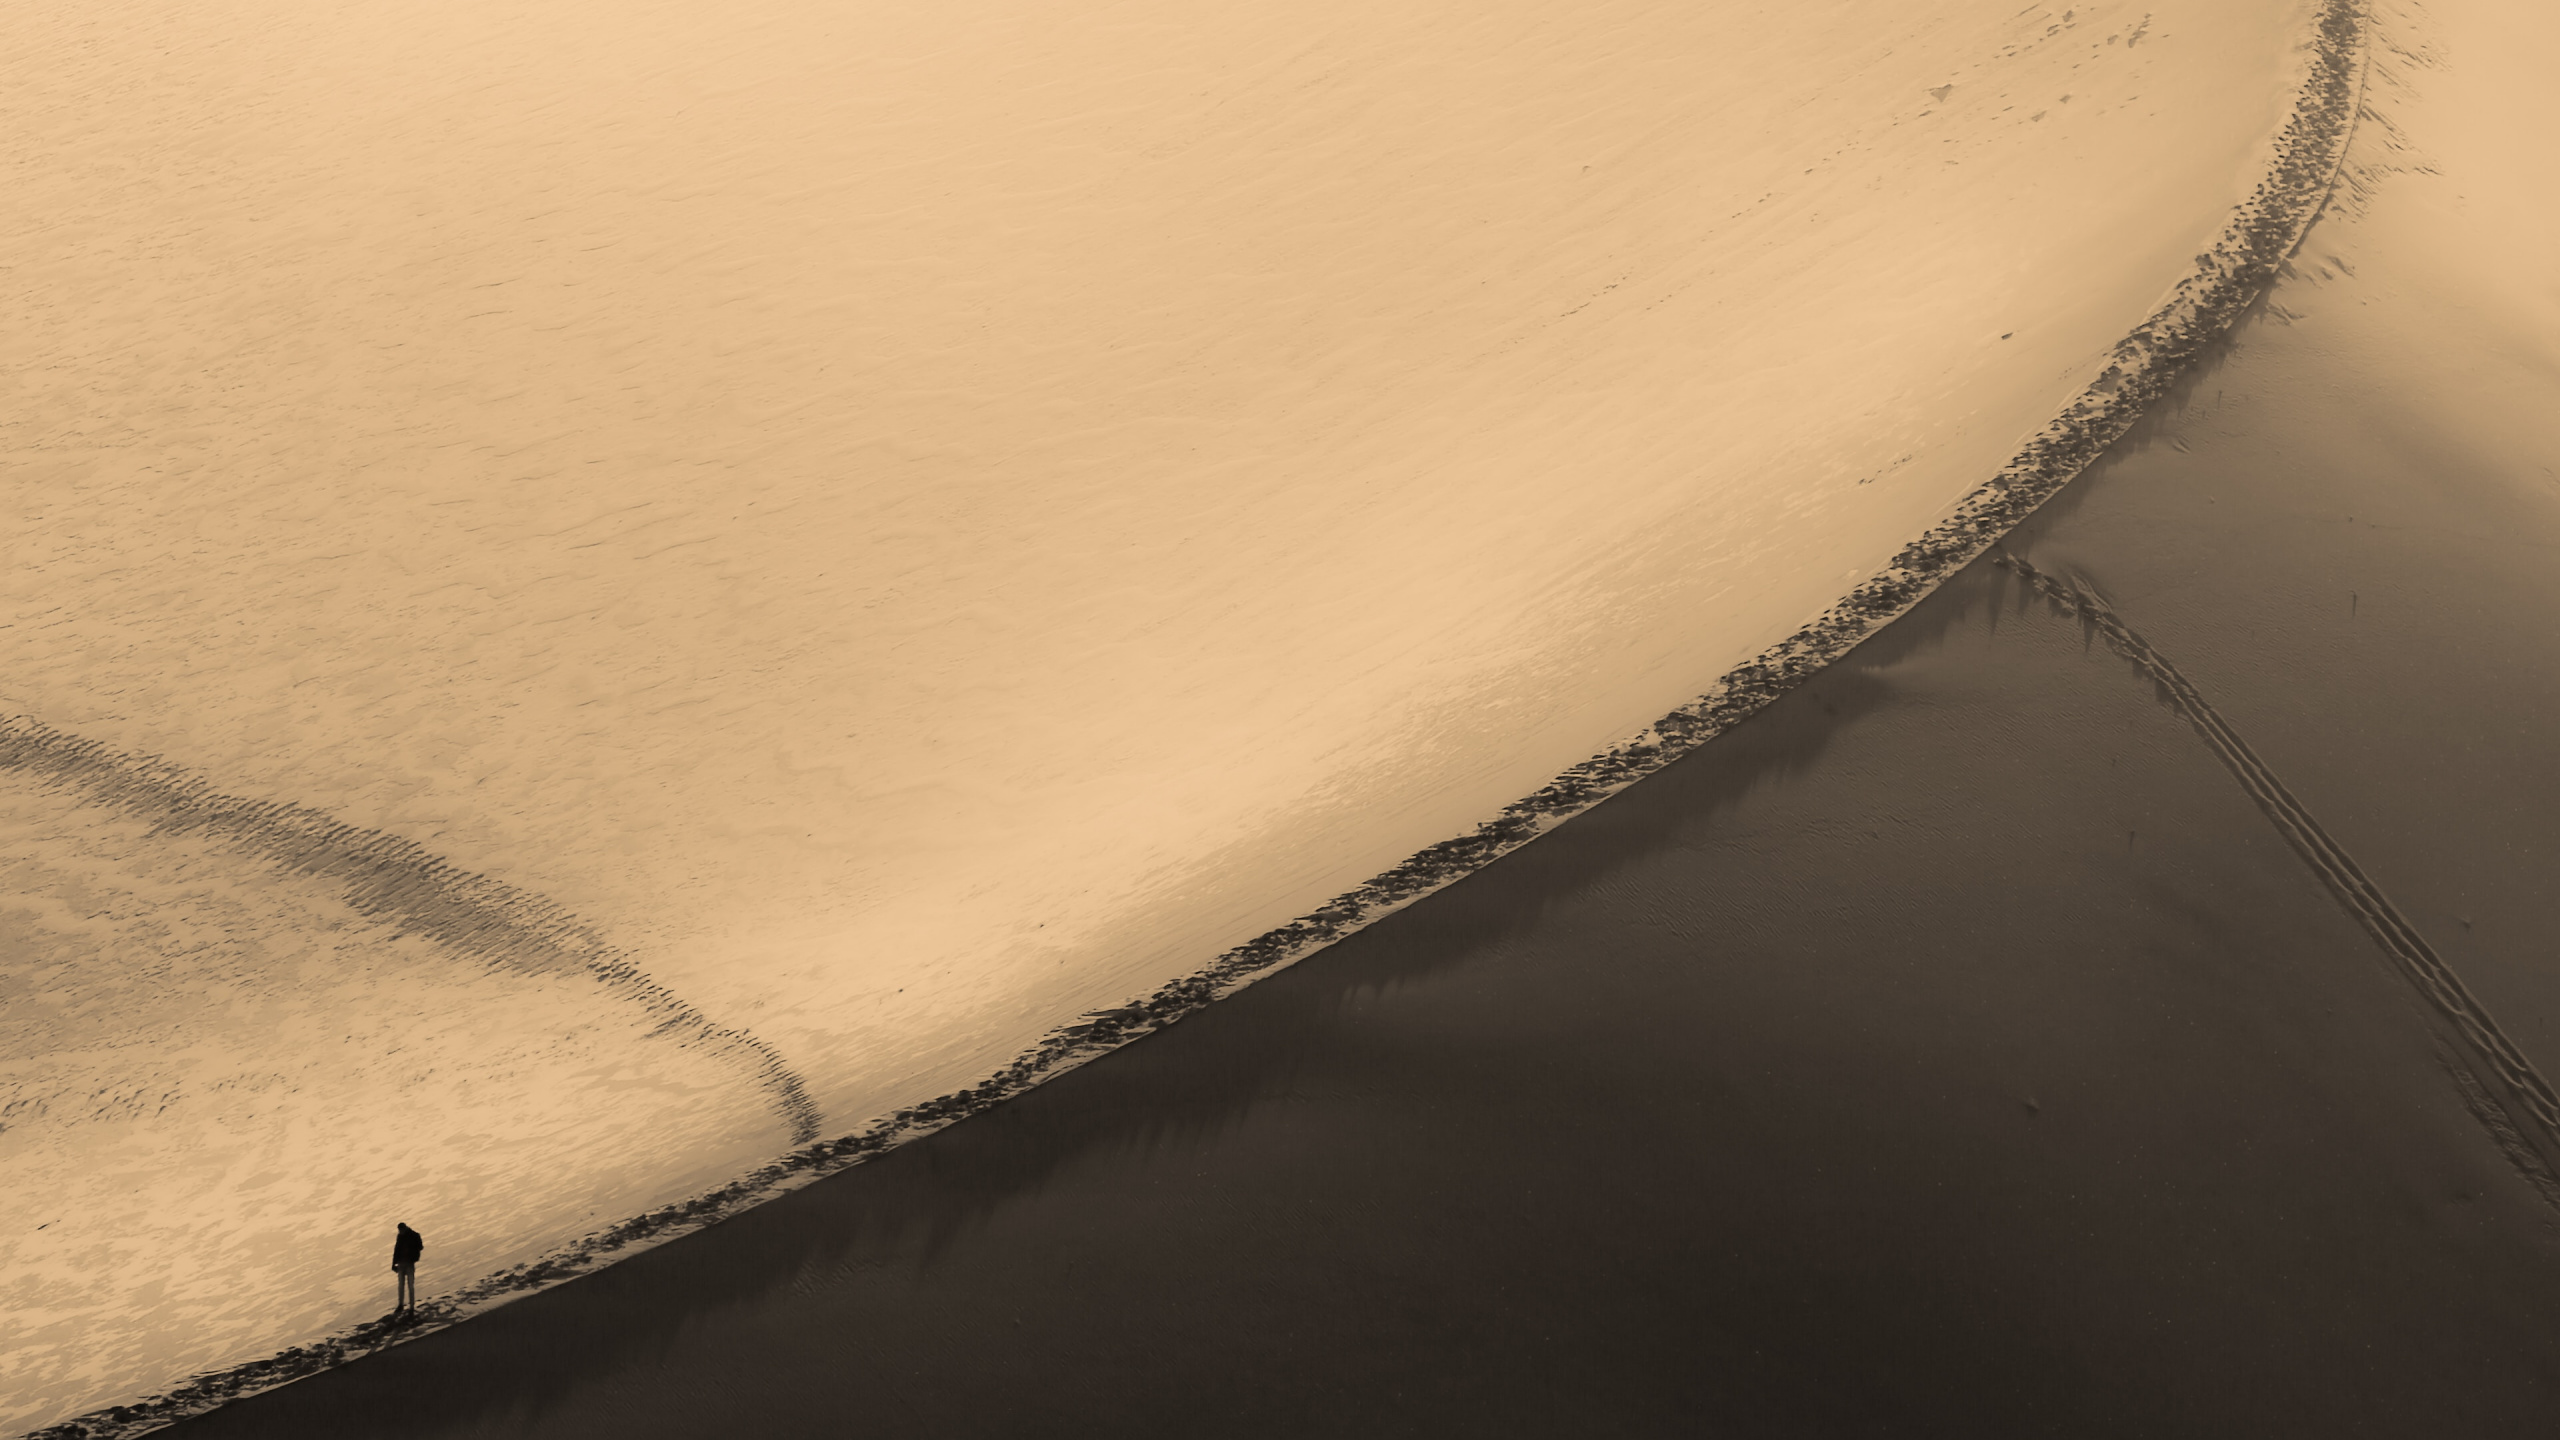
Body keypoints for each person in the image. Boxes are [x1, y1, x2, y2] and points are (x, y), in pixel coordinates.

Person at [391, 1223, 424, 1316]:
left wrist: (413, 1254)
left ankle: (411, 1307)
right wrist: (393, 1264)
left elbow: (420, 1247)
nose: (400, 1232)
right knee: (403, 1285)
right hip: (402, 1263)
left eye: (401, 1230)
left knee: (409, 1285)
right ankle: (402, 1305)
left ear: (404, 1228)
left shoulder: (414, 1235)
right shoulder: (404, 1236)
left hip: (409, 1263)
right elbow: (396, 1250)